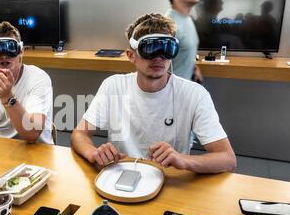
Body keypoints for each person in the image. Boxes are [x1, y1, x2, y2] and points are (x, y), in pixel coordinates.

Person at [71, 13, 236, 174]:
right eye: (150, 48)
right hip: (122, 174)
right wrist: (94, 153)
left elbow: (227, 159)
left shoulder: (194, 94)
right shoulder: (113, 86)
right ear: (131, 55)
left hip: (169, 179)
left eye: (167, 48)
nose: (159, 57)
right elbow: (79, 134)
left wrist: (183, 160)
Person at [165, 0, 202, 83]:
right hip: (173, 93)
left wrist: (194, 67)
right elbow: (156, 68)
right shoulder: (168, 26)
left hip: (186, 89)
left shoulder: (187, 18)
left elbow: (184, 51)